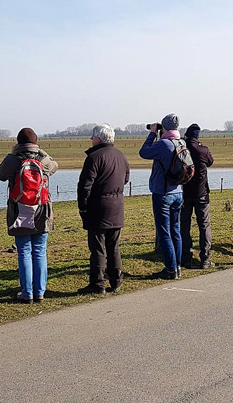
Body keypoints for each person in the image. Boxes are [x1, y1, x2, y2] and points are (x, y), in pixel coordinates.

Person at [0, 127, 58, 304]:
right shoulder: (44, 159)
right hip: (42, 210)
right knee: (39, 251)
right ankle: (40, 292)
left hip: (19, 211)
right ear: (36, 142)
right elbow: (55, 166)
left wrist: (12, 154)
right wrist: (40, 150)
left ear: (18, 142)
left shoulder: (12, 160)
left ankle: (27, 292)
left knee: (23, 251)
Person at [77, 124, 130, 295]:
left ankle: (98, 283)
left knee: (98, 248)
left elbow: (85, 186)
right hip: (117, 206)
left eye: (92, 137)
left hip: (98, 208)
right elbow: (126, 178)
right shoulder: (121, 156)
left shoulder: (94, 157)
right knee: (113, 246)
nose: (91, 139)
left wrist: (83, 207)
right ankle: (116, 280)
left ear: (98, 138)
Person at [139, 113, 184, 279]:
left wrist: (152, 133)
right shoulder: (181, 142)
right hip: (178, 192)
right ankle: (177, 266)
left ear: (163, 127)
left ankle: (171, 269)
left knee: (164, 232)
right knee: (176, 231)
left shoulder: (163, 144)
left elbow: (143, 152)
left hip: (163, 193)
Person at [180, 123, 215, 269]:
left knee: (184, 226)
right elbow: (210, 161)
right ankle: (205, 258)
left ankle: (185, 257)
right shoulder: (203, 150)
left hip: (185, 193)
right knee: (204, 225)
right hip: (201, 193)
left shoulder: (182, 149)